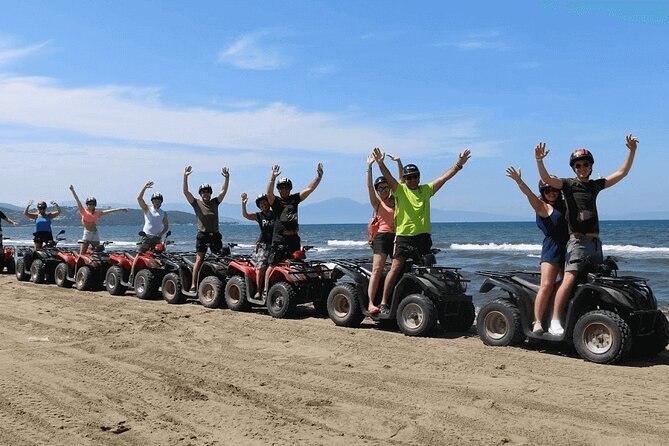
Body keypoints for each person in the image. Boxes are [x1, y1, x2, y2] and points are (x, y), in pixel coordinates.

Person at [535, 135, 638, 335]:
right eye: (578, 166)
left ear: (590, 166)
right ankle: (555, 319)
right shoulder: (568, 184)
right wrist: (539, 161)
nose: (582, 168)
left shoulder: (594, 186)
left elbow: (621, 173)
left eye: (585, 165)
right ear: (574, 168)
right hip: (577, 242)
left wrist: (632, 151)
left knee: (596, 279)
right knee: (569, 279)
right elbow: (547, 180)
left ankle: (591, 316)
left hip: (595, 242)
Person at [372, 146, 471, 314]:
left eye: (415, 177)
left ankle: (424, 301)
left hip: (423, 238)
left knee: (427, 269)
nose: (412, 180)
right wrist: (380, 164)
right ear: (405, 179)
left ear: (419, 177)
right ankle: (383, 302)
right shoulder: (400, 190)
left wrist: (458, 165)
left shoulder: (426, 190)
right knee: (396, 267)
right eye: (409, 178)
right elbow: (388, 177)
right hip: (404, 237)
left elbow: (444, 178)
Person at [506, 167, 568, 334]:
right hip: (552, 248)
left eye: (555, 189)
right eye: (548, 190)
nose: (552, 193)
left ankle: (557, 315)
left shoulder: (565, 205)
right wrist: (519, 181)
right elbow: (529, 195)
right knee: (546, 285)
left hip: (569, 248)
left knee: (567, 284)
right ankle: (538, 321)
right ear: (543, 191)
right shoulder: (543, 207)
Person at [264, 162, 323, 296]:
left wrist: (318, 177)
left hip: (294, 239)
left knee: (296, 264)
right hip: (279, 240)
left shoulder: (294, 199)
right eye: (281, 188)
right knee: (272, 265)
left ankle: (293, 290)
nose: (283, 190)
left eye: (286, 188)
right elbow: (269, 193)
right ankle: (266, 291)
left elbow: (309, 189)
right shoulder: (276, 202)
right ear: (278, 190)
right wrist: (272, 178)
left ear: (289, 189)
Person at [365, 152, 403, 314]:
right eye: (380, 188)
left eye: (385, 187)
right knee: (377, 270)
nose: (383, 190)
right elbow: (368, 187)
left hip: (396, 238)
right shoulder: (377, 203)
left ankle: (385, 302)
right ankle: (371, 303)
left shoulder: (396, 199)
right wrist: (369, 167)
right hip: (381, 237)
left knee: (398, 269)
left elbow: (401, 181)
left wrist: (399, 162)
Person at [182, 165, 230, 292]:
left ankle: (221, 281)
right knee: (199, 259)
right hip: (202, 235)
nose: (206, 193)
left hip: (215, 235)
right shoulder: (196, 203)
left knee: (221, 258)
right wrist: (185, 177)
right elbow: (186, 193)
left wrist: (227, 178)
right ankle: (193, 284)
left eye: (208, 191)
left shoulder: (215, 202)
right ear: (200, 194)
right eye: (203, 192)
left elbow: (223, 191)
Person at [69, 185, 128, 256]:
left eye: (93, 204)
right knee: (82, 254)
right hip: (87, 233)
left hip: (95, 233)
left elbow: (109, 211)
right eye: (90, 204)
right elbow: (77, 200)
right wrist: (72, 190)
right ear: (87, 204)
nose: (91, 205)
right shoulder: (83, 211)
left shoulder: (97, 213)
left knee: (97, 252)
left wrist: (121, 209)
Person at [241, 192, 274, 298]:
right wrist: (243, 204)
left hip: (274, 245)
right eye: (261, 204)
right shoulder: (259, 216)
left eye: (265, 203)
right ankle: (258, 291)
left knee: (273, 267)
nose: (263, 205)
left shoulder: (275, 214)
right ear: (259, 206)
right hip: (263, 245)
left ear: (269, 203)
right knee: (260, 268)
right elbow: (246, 215)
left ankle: (268, 290)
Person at [133, 181, 169, 277]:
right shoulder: (147, 209)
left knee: (157, 257)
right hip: (146, 237)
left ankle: (155, 275)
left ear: (161, 202)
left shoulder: (163, 213)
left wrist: (161, 234)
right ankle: (132, 274)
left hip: (157, 238)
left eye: (159, 201)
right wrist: (144, 187)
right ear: (152, 201)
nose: (157, 202)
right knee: (139, 254)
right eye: (155, 200)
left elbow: (166, 226)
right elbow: (139, 198)